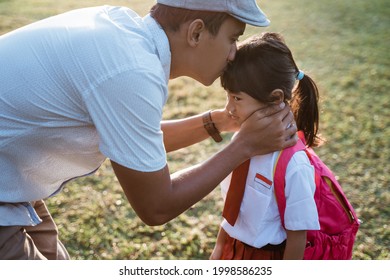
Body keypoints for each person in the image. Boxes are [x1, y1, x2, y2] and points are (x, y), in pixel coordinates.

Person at [0, 1, 297, 260]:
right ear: (195, 32)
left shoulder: (121, 29)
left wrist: (220, 121)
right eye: (232, 39)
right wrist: (242, 146)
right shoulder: (131, 72)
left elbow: (137, 142)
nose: (233, 54)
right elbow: (156, 206)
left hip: (13, 178)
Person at [210, 32, 321, 260]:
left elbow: (297, 236)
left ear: (275, 97)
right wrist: (220, 248)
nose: (228, 108)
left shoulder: (294, 164)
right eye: (228, 96)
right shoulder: (242, 140)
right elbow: (235, 209)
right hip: (232, 248)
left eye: (237, 98)